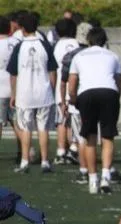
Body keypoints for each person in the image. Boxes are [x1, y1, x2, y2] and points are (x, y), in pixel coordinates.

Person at [68, 27, 121, 194]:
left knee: (89, 137)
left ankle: (92, 180)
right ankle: (105, 176)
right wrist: (115, 98)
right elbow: (118, 82)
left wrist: (74, 100)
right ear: (105, 41)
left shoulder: (79, 56)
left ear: (89, 40)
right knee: (107, 137)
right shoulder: (113, 55)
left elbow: (72, 83)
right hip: (109, 93)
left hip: (87, 94)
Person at [7, 11, 57, 174]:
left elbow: (13, 74)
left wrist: (13, 94)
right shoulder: (44, 44)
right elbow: (52, 71)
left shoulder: (20, 46)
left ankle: (24, 162)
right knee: (43, 128)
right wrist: (52, 89)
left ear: (22, 28)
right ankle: (44, 162)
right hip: (43, 93)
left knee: (26, 128)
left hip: (24, 94)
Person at [60, 22, 91, 184]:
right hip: (94, 101)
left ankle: (84, 170)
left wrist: (65, 100)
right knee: (95, 138)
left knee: (81, 138)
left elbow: (64, 81)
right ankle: (104, 171)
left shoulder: (72, 55)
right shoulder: (101, 54)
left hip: (78, 101)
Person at [51, 18, 78, 165]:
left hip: (61, 87)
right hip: (75, 87)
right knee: (73, 121)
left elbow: (53, 68)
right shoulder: (77, 44)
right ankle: (73, 148)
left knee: (61, 121)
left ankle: (61, 151)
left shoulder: (57, 46)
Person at [0, 16, 20, 161]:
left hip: (0, 88)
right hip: (16, 87)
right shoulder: (17, 42)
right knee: (17, 122)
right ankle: (23, 152)